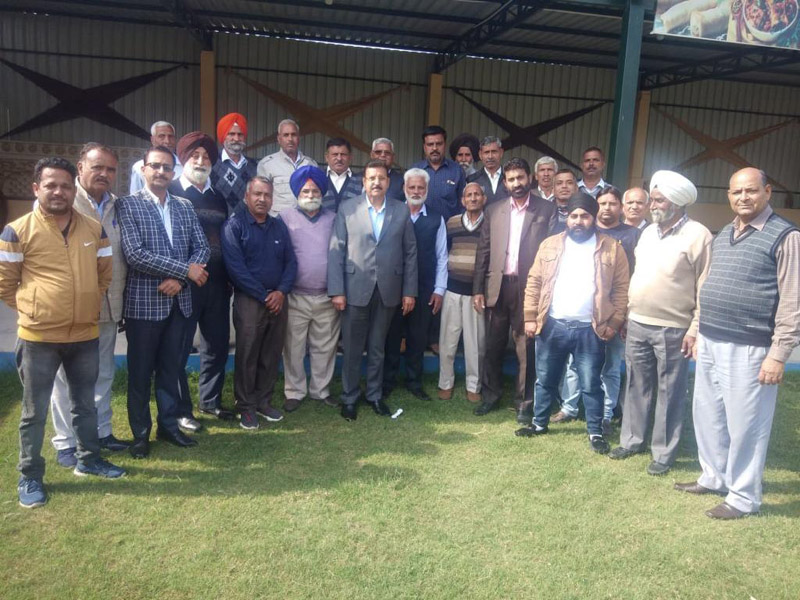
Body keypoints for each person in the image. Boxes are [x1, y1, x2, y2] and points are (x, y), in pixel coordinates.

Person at [0, 157, 125, 508]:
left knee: (85, 406)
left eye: (65, 185)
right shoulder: (17, 230)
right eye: (51, 185)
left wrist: (84, 307)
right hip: (38, 338)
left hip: (84, 335)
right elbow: (5, 284)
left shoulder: (93, 228)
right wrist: (36, 309)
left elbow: (104, 275)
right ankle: (30, 476)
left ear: (74, 188)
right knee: (33, 412)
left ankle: (89, 460)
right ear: (36, 188)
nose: (59, 191)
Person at [675, 167, 799, 519]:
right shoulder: (726, 232)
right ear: (728, 196)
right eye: (736, 192)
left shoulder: (785, 237)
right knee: (708, 415)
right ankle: (713, 476)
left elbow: (792, 302)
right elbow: (707, 287)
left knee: (747, 425)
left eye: (750, 191)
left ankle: (743, 497)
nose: (743, 197)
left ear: (767, 191)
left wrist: (778, 355)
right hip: (711, 340)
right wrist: (697, 329)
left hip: (750, 347)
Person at [609, 171, 711, 475]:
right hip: (638, 321)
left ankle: (664, 454)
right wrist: (627, 314)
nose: (652, 204)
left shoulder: (698, 235)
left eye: (658, 199)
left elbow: (705, 287)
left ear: (677, 203)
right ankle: (631, 440)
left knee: (670, 390)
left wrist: (694, 329)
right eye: (652, 198)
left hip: (674, 328)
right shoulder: (649, 232)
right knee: (636, 385)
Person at [516, 192, 629, 454]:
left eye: (585, 216)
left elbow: (622, 289)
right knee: (545, 379)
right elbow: (534, 282)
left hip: (591, 328)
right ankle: (539, 424)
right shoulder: (550, 245)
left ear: (594, 218)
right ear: (568, 217)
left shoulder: (612, 247)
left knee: (591, 382)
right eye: (574, 216)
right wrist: (530, 317)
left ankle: (595, 432)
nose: (579, 221)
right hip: (553, 324)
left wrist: (614, 322)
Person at [118, 146, 211, 458]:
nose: (160, 172)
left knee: (171, 370)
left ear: (174, 172)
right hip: (144, 305)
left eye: (167, 167)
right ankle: (141, 435)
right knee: (141, 373)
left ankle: (169, 427)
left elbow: (201, 247)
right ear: (143, 169)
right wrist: (184, 270)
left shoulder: (184, 206)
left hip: (179, 303)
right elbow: (135, 254)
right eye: (154, 166)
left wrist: (182, 279)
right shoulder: (128, 206)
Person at [49, 144, 130, 468]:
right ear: (80, 167)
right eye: (97, 167)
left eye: (110, 169)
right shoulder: (65, 203)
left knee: (103, 373)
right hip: (71, 310)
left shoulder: (118, 206)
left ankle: (101, 431)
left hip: (109, 305)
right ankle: (66, 442)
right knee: (66, 378)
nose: (104, 174)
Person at [328, 160, 418, 421]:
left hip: (389, 289)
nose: (376, 182)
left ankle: (375, 395)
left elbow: (410, 253)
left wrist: (409, 291)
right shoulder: (347, 208)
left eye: (381, 178)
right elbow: (336, 251)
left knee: (378, 347)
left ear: (388, 182)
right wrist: (337, 290)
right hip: (354, 288)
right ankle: (349, 397)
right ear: (363, 182)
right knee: (354, 348)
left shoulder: (401, 211)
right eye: (371, 178)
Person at [472, 157, 555, 422]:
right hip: (497, 287)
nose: (516, 184)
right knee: (493, 346)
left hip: (528, 288)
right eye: (511, 179)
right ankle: (491, 396)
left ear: (530, 178)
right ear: (505, 183)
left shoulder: (546, 210)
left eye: (521, 178)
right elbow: (483, 251)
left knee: (525, 349)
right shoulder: (494, 210)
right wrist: (478, 289)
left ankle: (524, 403)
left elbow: (552, 254)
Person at [170, 132, 235, 427]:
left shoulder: (218, 195)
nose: (200, 161)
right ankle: (181, 410)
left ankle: (210, 402)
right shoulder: (171, 192)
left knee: (216, 345)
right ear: (184, 160)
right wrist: (180, 271)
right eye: (194, 156)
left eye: (206, 157)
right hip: (184, 283)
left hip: (218, 283)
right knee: (180, 347)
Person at [222, 176, 297, 429]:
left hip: (278, 299)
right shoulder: (235, 226)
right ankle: (245, 406)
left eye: (266, 195)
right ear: (246, 197)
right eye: (257, 194)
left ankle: (263, 401)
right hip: (250, 300)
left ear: (272, 199)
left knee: (271, 352)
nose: (262, 199)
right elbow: (236, 269)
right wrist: (264, 295)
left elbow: (291, 262)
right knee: (248, 354)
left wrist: (281, 292)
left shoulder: (278, 227)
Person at [384, 168, 447, 401]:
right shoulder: (392, 214)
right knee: (391, 337)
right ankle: (387, 381)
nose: (416, 191)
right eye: (412, 187)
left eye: (421, 187)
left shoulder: (436, 218)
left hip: (424, 289)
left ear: (427, 190)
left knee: (417, 337)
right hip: (393, 288)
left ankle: (414, 382)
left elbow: (442, 257)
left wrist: (439, 289)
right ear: (404, 189)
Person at [280, 166, 340, 412]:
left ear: (322, 192)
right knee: (293, 347)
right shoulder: (284, 217)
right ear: (297, 192)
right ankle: (294, 391)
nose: (310, 194)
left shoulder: (333, 218)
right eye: (305, 190)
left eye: (315, 189)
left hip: (327, 296)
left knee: (324, 346)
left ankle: (320, 390)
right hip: (295, 295)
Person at [438, 181, 487, 404]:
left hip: (476, 293)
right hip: (452, 290)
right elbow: (444, 254)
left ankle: (473, 385)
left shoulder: (491, 223)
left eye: (477, 194)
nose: (473, 198)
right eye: (469, 195)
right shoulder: (452, 223)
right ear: (462, 200)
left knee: (474, 343)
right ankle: (445, 383)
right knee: (448, 341)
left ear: (483, 199)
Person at [256, 118, 318, 216]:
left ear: (298, 138)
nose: (290, 139)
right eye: (286, 135)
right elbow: (260, 197)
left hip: (305, 223)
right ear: (279, 139)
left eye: (293, 135)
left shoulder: (311, 164)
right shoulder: (267, 164)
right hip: (278, 223)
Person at [412, 125, 465, 219]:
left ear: (445, 145)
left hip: (450, 229)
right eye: (430, 144)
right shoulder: (414, 170)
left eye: (439, 144)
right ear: (424, 147)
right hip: (420, 230)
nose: (434, 148)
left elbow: (463, 203)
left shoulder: (457, 170)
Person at [211, 112, 258, 214]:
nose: (236, 139)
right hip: (220, 224)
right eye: (231, 134)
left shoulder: (254, 165)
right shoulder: (212, 163)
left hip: (248, 225)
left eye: (240, 134)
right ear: (223, 137)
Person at [129, 121, 182, 193]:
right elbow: (135, 197)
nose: (167, 141)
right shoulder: (139, 167)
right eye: (161, 136)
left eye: (170, 136)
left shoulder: (184, 166)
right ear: (152, 140)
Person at [322, 137, 362, 212]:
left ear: (350, 158)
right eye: (335, 154)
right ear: (327, 157)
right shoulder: (318, 179)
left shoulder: (360, 181)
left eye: (343, 154)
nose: (339, 158)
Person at [468, 136, 507, 205]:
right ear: (480, 155)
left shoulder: (510, 178)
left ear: (501, 152)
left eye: (494, 152)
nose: (490, 156)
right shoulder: (472, 180)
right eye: (486, 152)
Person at [370, 137, 405, 202]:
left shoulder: (402, 181)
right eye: (378, 152)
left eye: (387, 152)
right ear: (372, 155)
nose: (383, 155)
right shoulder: (358, 178)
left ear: (393, 157)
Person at [549, 168, 578, 235]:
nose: (564, 186)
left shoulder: (584, 211)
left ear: (576, 188)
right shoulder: (544, 210)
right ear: (553, 189)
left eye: (569, 183)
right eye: (559, 183)